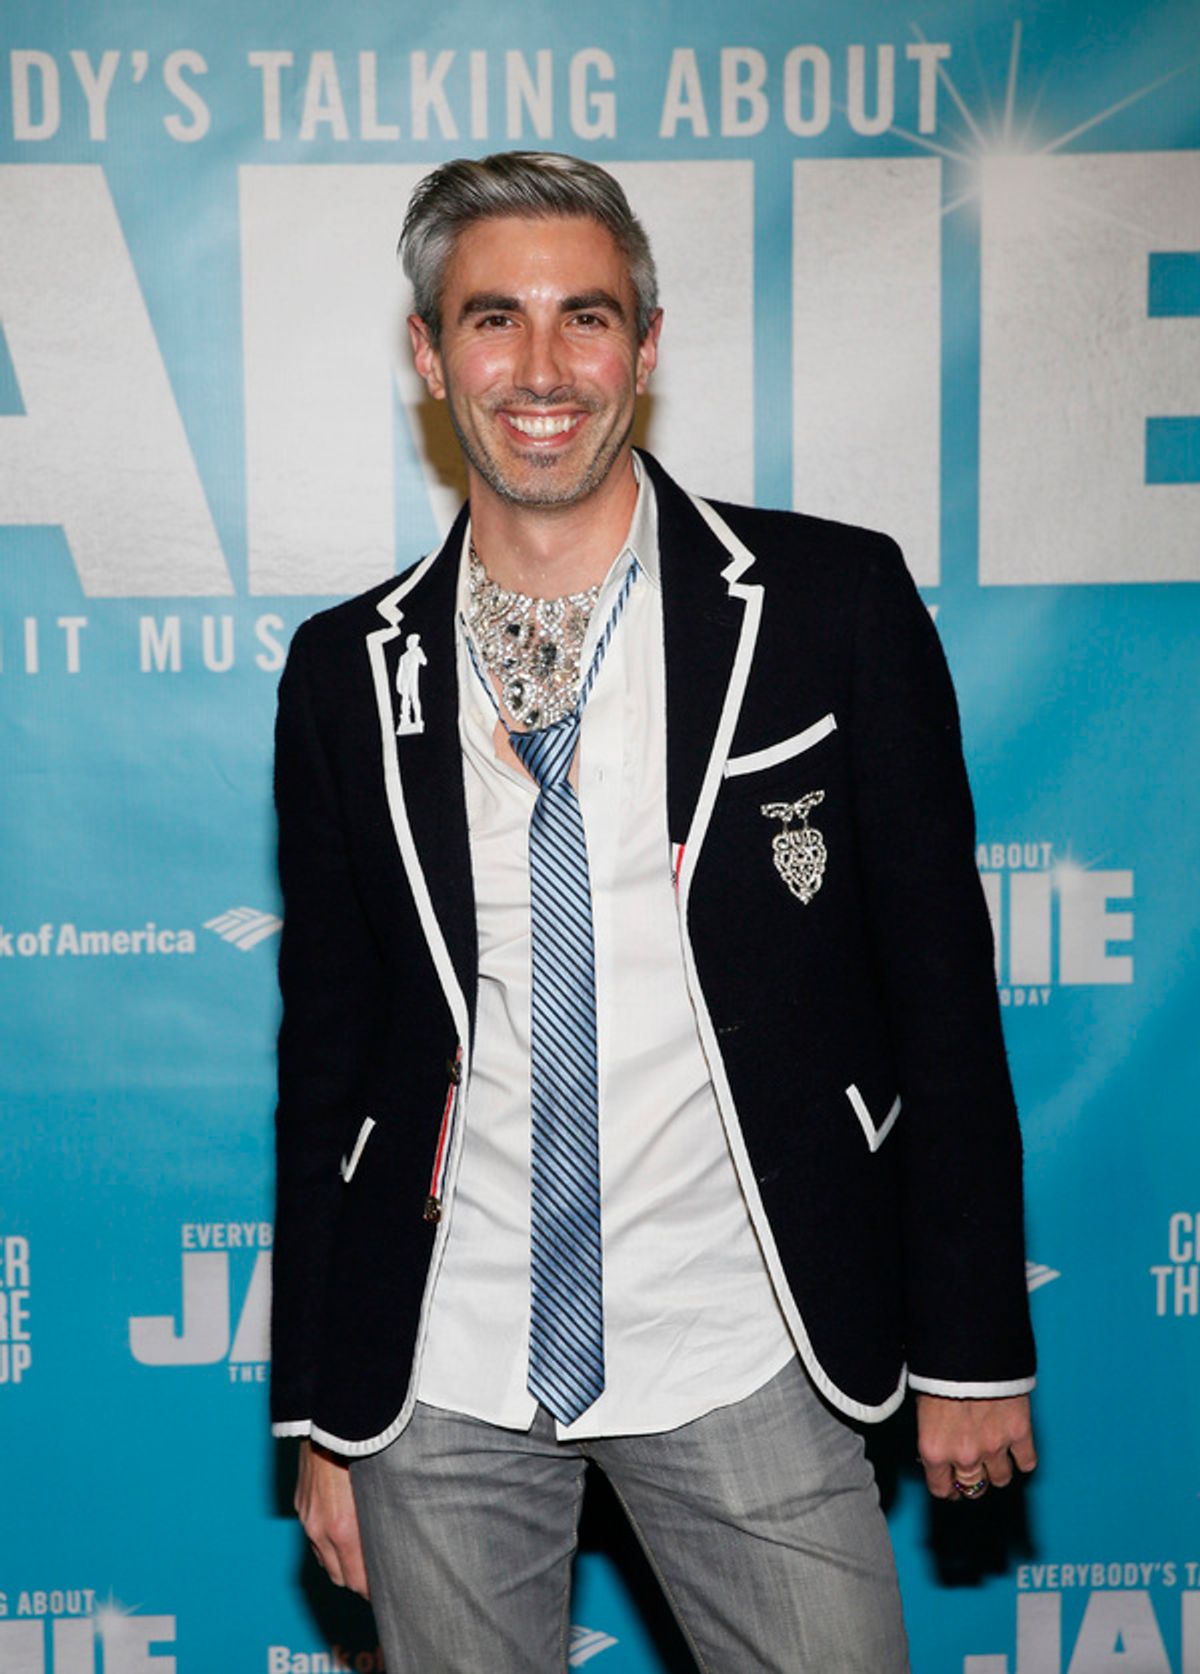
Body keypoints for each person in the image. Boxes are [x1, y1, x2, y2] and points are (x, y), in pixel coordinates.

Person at [271, 150, 1037, 1672]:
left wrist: (972, 1345)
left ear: (649, 343)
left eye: (587, 317)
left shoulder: (832, 605)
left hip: (739, 1336)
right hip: (445, 1363)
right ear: (431, 353)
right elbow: (333, 1064)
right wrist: (326, 1411)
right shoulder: (344, 669)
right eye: (493, 320)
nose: (541, 368)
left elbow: (941, 996)